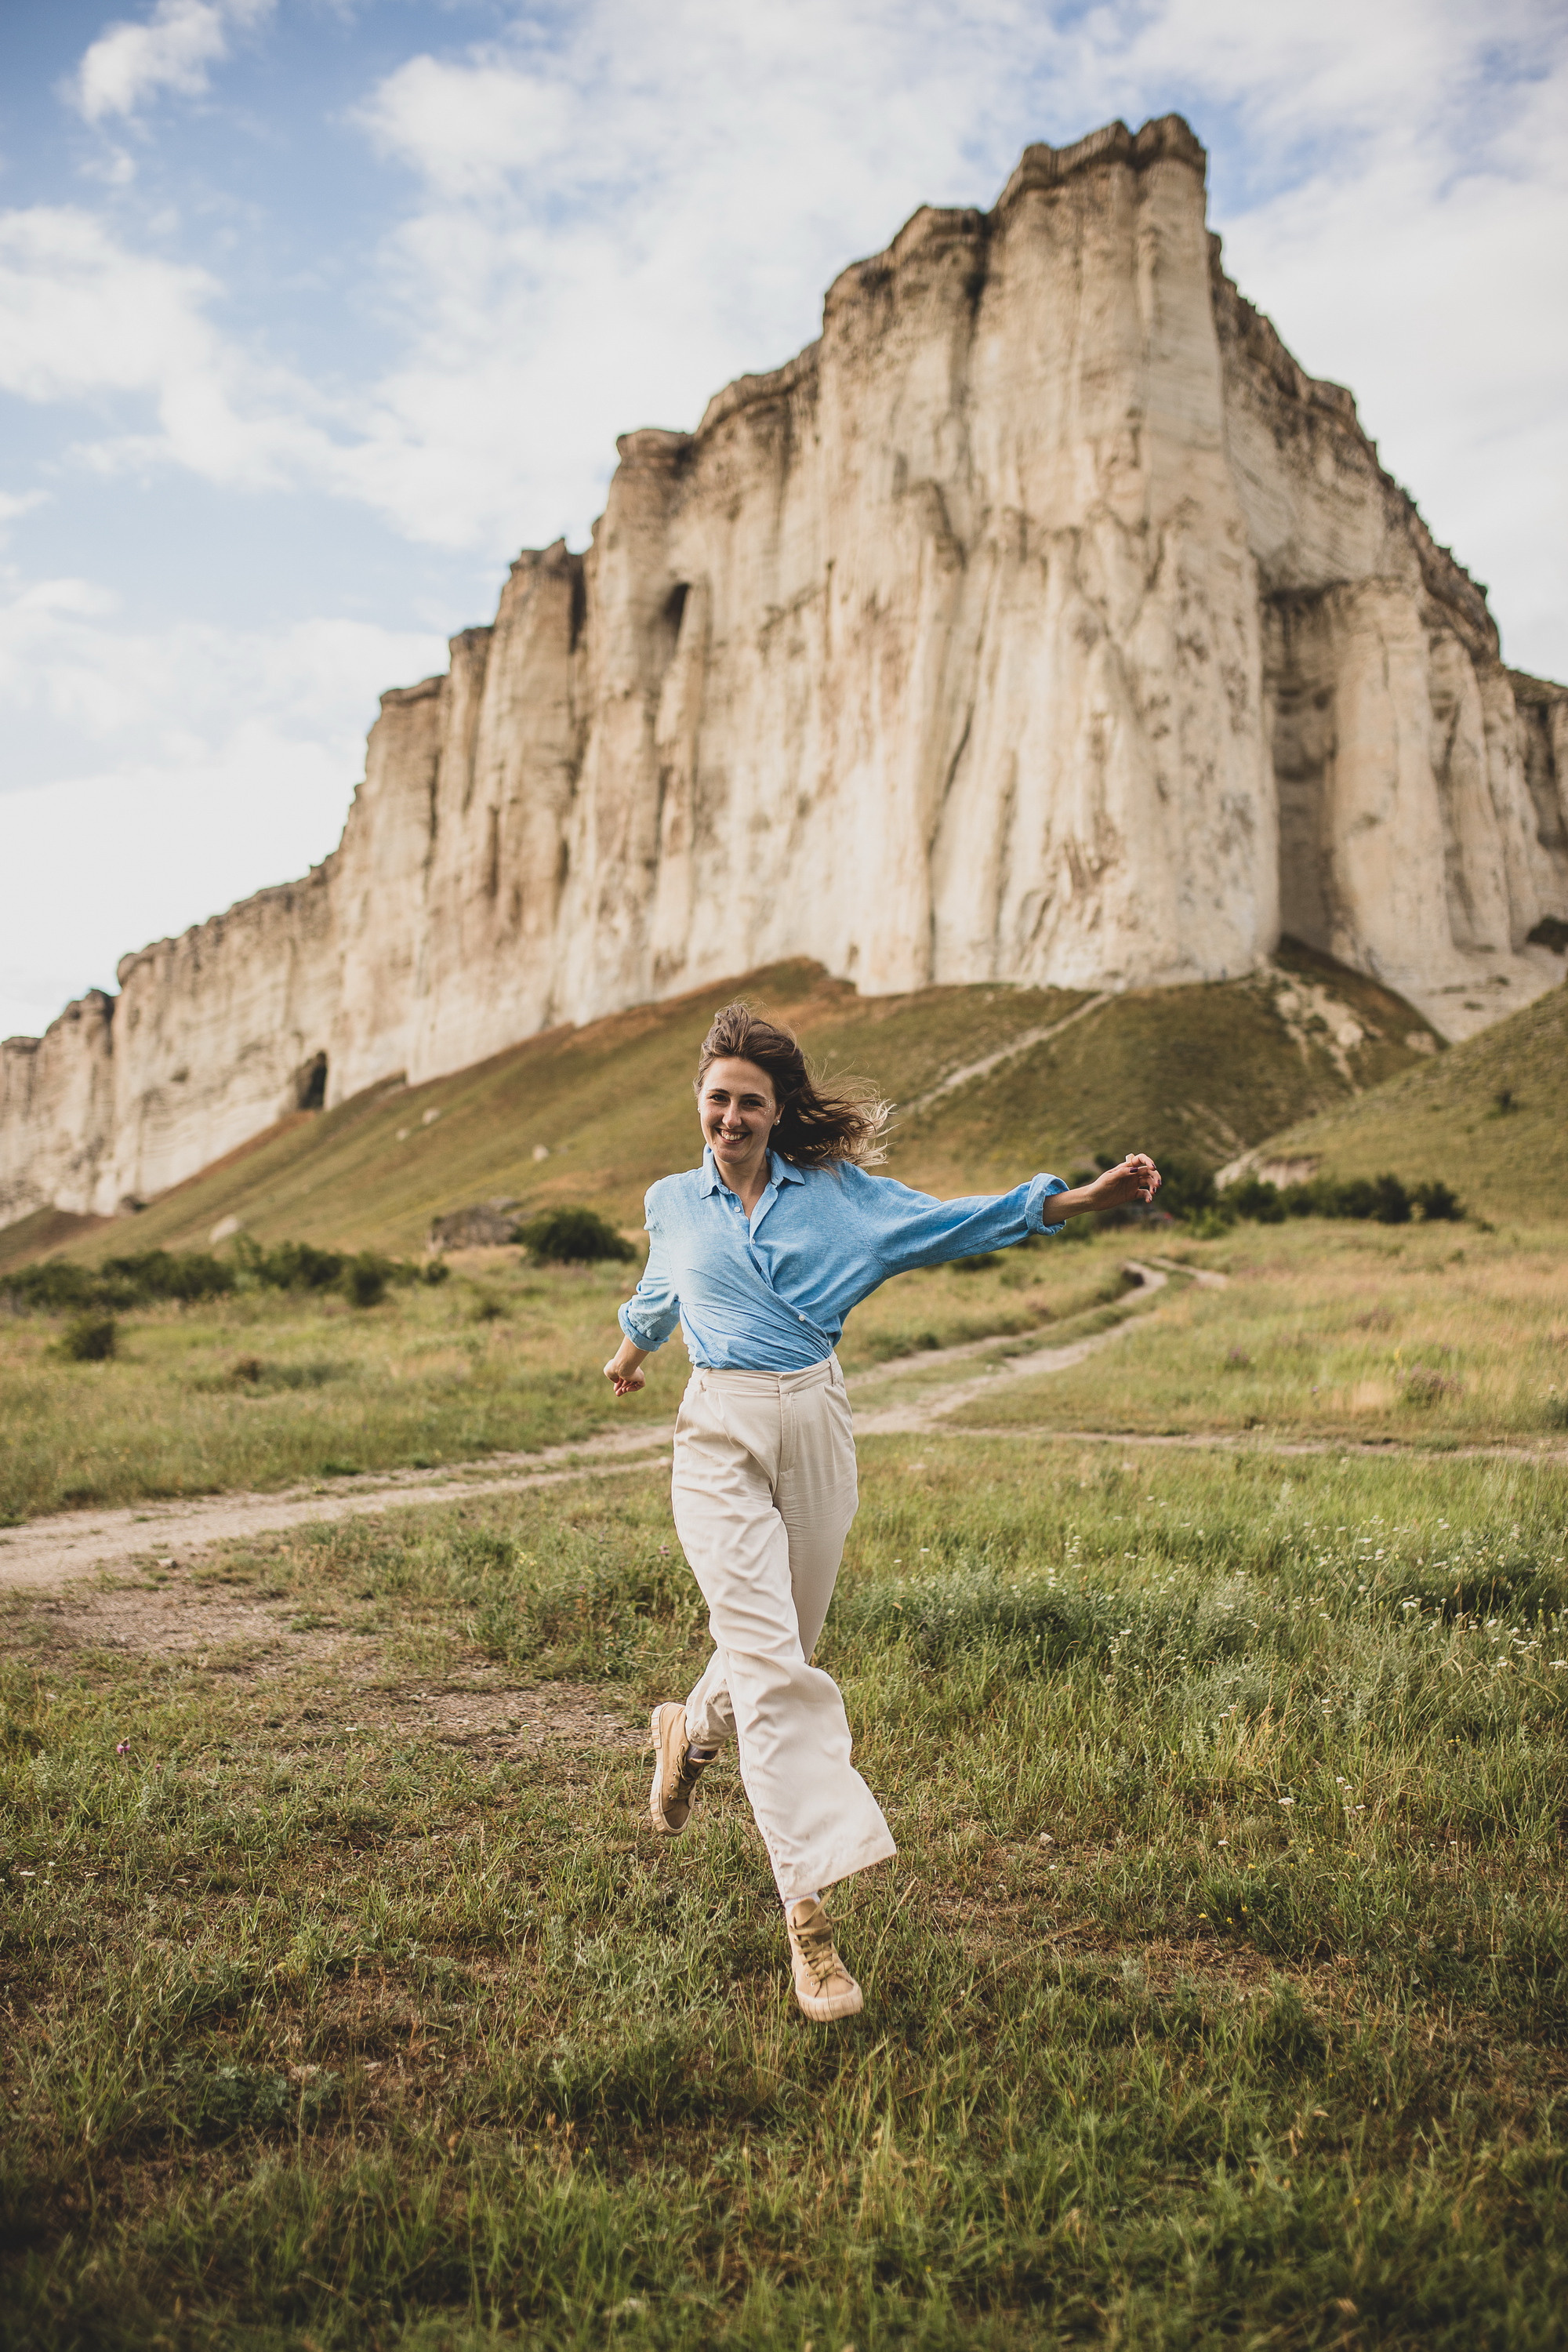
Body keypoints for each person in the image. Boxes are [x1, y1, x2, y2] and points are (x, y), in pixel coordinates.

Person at [603, 1001, 1160, 2022]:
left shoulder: (841, 1203)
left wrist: (1084, 1199)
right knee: (777, 1673)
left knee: (784, 1642)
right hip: (716, 1429)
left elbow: (964, 1221)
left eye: (750, 1104)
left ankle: (687, 1728)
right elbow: (657, 1291)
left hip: (813, 1421)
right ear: (700, 1099)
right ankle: (808, 1921)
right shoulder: (672, 1201)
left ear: (778, 1113)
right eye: (717, 1099)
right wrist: (632, 1355)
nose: (730, 1118)